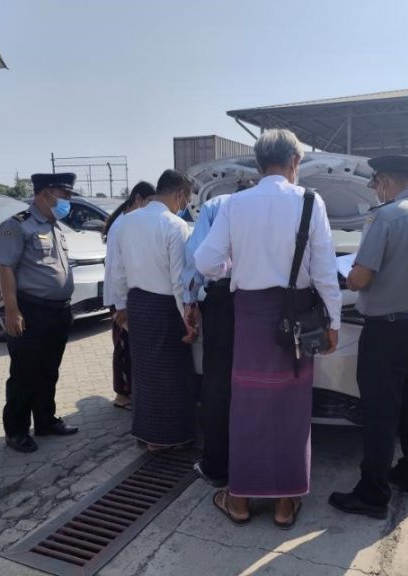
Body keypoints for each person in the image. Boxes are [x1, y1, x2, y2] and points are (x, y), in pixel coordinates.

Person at [195, 129, 341, 529]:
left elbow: (206, 262)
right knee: (292, 410)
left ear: (258, 165)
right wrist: (333, 321)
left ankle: (240, 500)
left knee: (248, 407)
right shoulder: (310, 201)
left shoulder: (235, 203)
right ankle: (284, 505)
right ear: (295, 162)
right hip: (297, 320)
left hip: (250, 317)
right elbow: (325, 270)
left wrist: (232, 266)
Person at [328, 154, 408, 519]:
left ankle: (372, 494)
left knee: (380, 410)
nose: (376, 190)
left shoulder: (386, 217)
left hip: (387, 329)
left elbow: (360, 279)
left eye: (375, 184)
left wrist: (349, 273)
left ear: (385, 181)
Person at [109, 169, 197, 451]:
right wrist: (187, 319)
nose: (184, 207)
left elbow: (117, 270)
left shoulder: (127, 221)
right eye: (186, 201)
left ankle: (146, 434)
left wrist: (121, 307)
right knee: (170, 374)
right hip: (165, 308)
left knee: (144, 373)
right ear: (180, 194)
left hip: (137, 304)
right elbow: (179, 279)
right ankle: (167, 438)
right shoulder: (174, 225)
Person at [0, 173, 80, 454]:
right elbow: (5, 268)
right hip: (30, 310)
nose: (67, 201)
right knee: (24, 374)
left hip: (58, 312)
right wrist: (12, 311)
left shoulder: (56, 226)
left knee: (49, 370)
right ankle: (16, 431)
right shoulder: (16, 226)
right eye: (64, 195)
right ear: (45, 193)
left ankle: (45, 420)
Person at [183, 180, 255, 488]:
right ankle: (254, 464)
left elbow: (196, 256)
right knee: (258, 382)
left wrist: (190, 300)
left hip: (224, 299)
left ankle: (217, 466)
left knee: (218, 382)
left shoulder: (216, 205)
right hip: (265, 299)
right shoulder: (281, 204)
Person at [102, 181, 156, 410]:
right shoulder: (122, 225)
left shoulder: (127, 222)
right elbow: (116, 268)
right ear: (138, 199)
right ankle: (122, 395)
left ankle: (128, 391)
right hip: (120, 297)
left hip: (123, 295)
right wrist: (120, 306)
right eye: (149, 202)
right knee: (123, 346)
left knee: (127, 345)